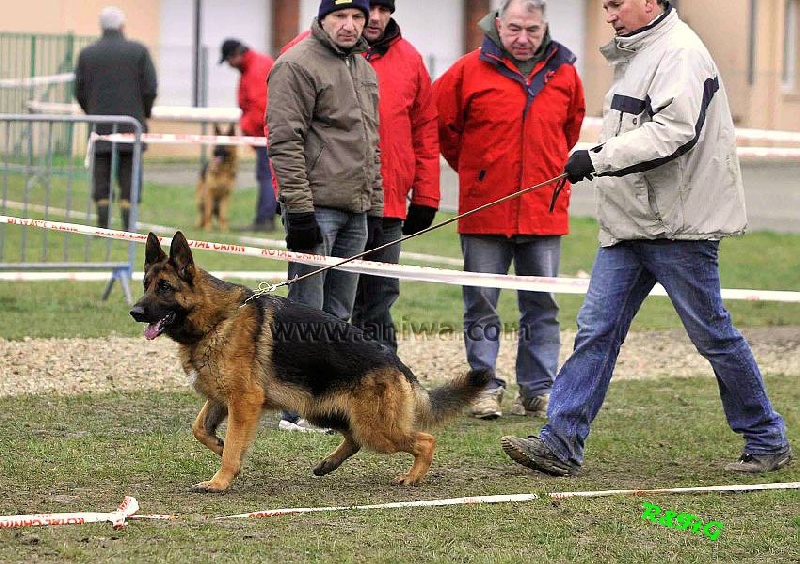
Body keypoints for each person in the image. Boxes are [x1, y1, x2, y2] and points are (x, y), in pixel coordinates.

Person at [501, 0, 792, 476]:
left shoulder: (680, 52)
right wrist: (598, 156)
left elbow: (673, 133)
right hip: (630, 224)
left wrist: (596, 157)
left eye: (616, 4)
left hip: (678, 227)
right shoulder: (636, 54)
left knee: (713, 335)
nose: (609, 14)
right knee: (596, 331)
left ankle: (766, 437)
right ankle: (560, 442)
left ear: (652, 2)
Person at [433, 0, 585, 420]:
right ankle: (484, 388)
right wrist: (477, 171)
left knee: (543, 305)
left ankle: (538, 389)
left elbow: (570, 128)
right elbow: (443, 125)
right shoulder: (466, 70)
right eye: (515, 28)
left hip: (543, 210)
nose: (523, 38)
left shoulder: (566, 73)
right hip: (484, 209)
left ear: (545, 28)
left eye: (532, 30)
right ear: (498, 25)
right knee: (481, 304)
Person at [267, 0, 382, 432]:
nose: (350, 25)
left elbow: (371, 144)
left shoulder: (364, 69)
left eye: (357, 17)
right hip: (315, 209)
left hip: (357, 209)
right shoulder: (295, 64)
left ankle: (326, 404)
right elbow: (284, 140)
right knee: (303, 312)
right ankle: (295, 408)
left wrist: (375, 203)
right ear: (322, 19)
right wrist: (298, 209)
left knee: (339, 314)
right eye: (340, 16)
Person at [350, 0, 441, 350]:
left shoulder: (411, 60)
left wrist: (426, 197)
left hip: (389, 204)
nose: (375, 18)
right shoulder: (307, 53)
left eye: (383, 9)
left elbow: (425, 131)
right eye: (367, 8)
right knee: (329, 304)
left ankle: (386, 390)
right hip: (334, 202)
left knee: (379, 301)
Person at [74, 6, 158, 231]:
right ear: (122, 26)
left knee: (101, 175)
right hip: (132, 125)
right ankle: (128, 229)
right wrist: (143, 113)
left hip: (100, 126)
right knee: (130, 175)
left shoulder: (87, 54)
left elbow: (79, 91)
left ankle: (102, 226)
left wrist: (92, 112)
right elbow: (150, 88)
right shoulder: (138, 51)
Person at [219, 38, 277, 232]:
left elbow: (260, 107)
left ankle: (264, 220)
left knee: (266, 175)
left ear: (235, 56)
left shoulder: (255, 69)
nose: (228, 66)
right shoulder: (254, 64)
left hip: (265, 132)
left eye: (228, 61)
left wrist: (244, 126)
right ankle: (265, 217)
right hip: (266, 131)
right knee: (268, 175)